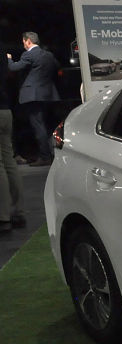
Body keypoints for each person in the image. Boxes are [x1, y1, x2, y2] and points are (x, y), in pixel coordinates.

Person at [7, 32, 60, 166]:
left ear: (28, 41)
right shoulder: (48, 55)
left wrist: (9, 59)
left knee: (38, 126)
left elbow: (13, 67)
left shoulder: (29, 54)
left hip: (33, 95)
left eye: (24, 42)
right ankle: (51, 153)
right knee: (47, 125)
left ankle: (45, 157)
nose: (23, 45)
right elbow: (56, 68)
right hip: (47, 94)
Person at [0, 44, 25, 234]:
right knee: (9, 162)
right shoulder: (2, 49)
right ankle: (18, 212)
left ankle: (3, 216)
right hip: (5, 110)